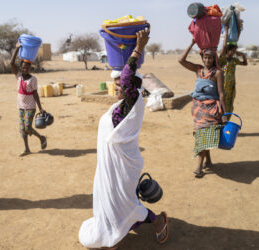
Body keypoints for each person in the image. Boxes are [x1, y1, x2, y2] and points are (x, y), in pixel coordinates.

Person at [79, 28, 169, 250]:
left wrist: (138, 48)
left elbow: (128, 78)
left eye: (121, 85)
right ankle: (112, 234)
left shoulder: (133, 100)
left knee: (125, 204)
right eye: (116, 85)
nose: (117, 88)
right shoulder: (121, 106)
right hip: (112, 167)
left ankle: (158, 221)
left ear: (133, 87)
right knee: (112, 202)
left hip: (122, 166)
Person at [178, 39, 228, 178]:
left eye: (210, 57)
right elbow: (180, 60)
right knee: (202, 136)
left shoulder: (218, 73)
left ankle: (199, 167)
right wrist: (192, 43)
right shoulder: (198, 69)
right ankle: (209, 161)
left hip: (212, 109)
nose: (207, 60)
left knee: (204, 137)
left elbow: (221, 94)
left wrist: (225, 113)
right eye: (205, 57)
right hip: (198, 109)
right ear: (202, 57)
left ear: (214, 58)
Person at [11, 42, 47, 156]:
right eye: (23, 67)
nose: (25, 69)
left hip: (30, 107)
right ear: (21, 68)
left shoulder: (33, 79)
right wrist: (17, 49)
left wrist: (40, 108)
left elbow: (35, 94)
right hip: (20, 106)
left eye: (27, 68)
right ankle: (27, 149)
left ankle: (41, 137)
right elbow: (11, 63)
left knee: (27, 127)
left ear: (30, 68)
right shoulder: (19, 76)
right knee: (22, 130)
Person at [219, 25, 248, 119]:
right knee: (222, 104)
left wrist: (243, 55)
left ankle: (226, 122)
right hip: (223, 86)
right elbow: (223, 46)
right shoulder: (223, 60)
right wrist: (226, 32)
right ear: (228, 50)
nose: (234, 52)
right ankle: (220, 122)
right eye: (232, 51)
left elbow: (245, 64)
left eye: (235, 51)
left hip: (231, 87)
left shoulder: (234, 60)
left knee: (230, 105)